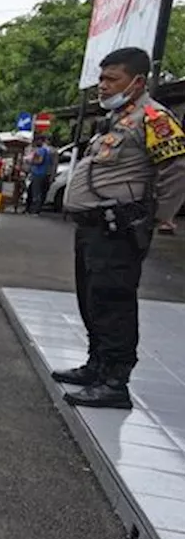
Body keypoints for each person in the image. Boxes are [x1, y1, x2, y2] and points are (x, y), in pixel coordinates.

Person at [53, 47, 186, 409]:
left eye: (112, 79)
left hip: (120, 229)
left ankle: (115, 382)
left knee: (114, 301)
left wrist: (158, 216)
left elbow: (175, 168)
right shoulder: (121, 118)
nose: (102, 86)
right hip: (95, 227)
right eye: (101, 78)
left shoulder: (154, 117)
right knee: (92, 298)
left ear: (137, 81)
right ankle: (96, 365)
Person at [27, 135, 54, 214]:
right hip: (43, 173)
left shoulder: (41, 150)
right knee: (36, 192)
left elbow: (40, 161)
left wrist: (31, 162)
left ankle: (35, 210)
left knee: (36, 192)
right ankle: (34, 209)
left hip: (38, 173)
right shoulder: (47, 151)